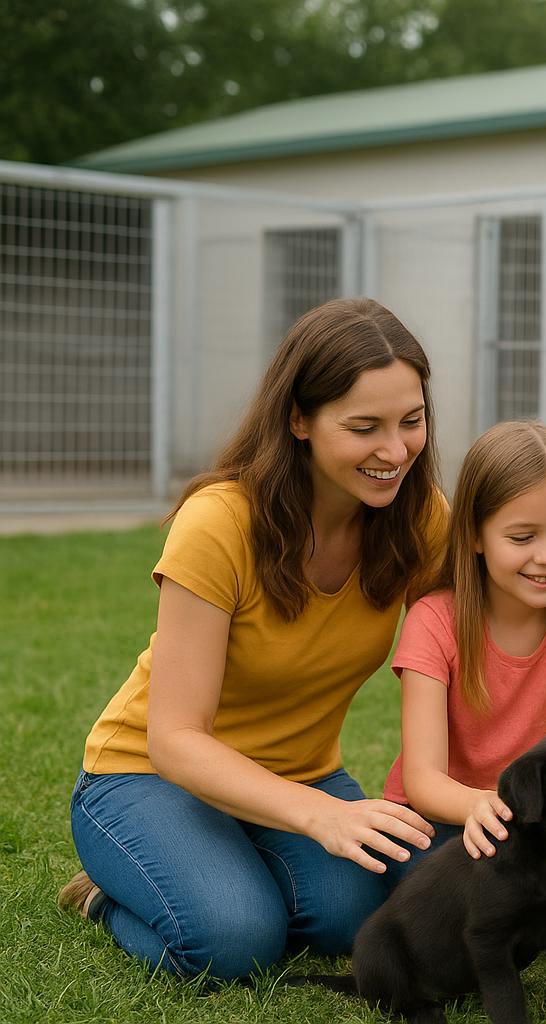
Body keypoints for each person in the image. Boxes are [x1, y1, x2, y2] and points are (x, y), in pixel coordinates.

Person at [59, 298, 449, 981]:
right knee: (235, 942)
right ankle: (103, 895)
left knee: (353, 923)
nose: (395, 452)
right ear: (299, 419)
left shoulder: (418, 519)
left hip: (298, 771)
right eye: (364, 428)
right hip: (148, 776)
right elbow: (176, 737)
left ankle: (229, 863)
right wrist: (320, 815)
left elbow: (464, 647)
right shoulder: (218, 522)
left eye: (411, 422)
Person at [382, 419, 546, 924]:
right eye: (522, 537)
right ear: (475, 535)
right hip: (446, 819)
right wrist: (481, 808)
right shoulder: (434, 622)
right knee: (438, 890)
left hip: (542, 823)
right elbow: (423, 779)